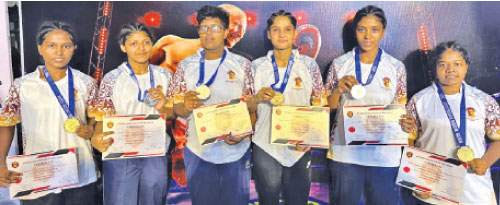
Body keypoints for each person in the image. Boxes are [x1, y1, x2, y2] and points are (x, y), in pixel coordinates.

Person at [0, 21, 98, 204]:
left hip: (81, 172)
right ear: (40, 48)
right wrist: (0, 162)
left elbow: (96, 117)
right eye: (51, 45)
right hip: (38, 174)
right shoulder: (22, 85)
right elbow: (7, 124)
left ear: (74, 48)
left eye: (66, 46)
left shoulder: (86, 82)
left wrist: (91, 128)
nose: (59, 52)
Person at [168, 5, 256, 205]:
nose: (208, 33)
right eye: (204, 28)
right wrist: (186, 106)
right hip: (198, 152)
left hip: (236, 152)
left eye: (215, 28)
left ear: (225, 32)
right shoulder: (185, 65)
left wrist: (245, 132)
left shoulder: (243, 65)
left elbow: (252, 108)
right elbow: (175, 109)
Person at [324, 5, 407, 204]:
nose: (367, 36)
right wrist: (337, 90)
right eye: (362, 29)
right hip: (346, 155)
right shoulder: (340, 64)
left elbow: (400, 110)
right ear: (355, 32)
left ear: (383, 32)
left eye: (374, 29)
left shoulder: (396, 67)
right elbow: (327, 107)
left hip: (384, 155)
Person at [400, 41, 500, 204]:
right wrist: (415, 178)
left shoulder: (484, 101)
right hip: (434, 190)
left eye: (457, 64)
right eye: (443, 64)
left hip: (475, 190)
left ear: (466, 66)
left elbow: (498, 139)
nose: (450, 69)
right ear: (434, 68)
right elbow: (407, 142)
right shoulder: (418, 102)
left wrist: (485, 161)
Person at [89, 22, 174, 205]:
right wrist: (96, 136)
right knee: (120, 201)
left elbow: (174, 113)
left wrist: (163, 105)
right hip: (120, 152)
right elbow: (103, 117)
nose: (141, 48)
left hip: (155, 151)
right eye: (133, 43)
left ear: (152, 44)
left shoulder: (165, 76)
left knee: (153, 200)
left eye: (145, 42)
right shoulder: (112, 79)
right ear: (123, 46)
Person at [250, 10, 327, 205]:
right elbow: (246, 106)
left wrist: (311, 137)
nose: (282, 34)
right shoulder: (256, 66)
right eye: (276, 29)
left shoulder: (309, 66)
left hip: (298, 146)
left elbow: (320, 103)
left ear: (294, 34)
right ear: (268, 34)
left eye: (287, 29)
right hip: (265, 145)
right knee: (268, 200)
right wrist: (257, 98)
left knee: (298, 200)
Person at [150, 4, 247, 74]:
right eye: (236, 24)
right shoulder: (171, 43)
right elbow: (139, 73)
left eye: (243, 29)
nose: (240, 33)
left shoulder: (234, 67)